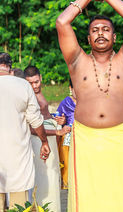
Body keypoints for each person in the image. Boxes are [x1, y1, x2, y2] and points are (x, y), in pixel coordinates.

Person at [56, 0, 123, 212]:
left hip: (120, 137)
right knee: (87, 201)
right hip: (86, 140)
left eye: (106, 29)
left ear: (115, 37)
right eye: (95, 30)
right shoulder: (76, 60)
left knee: (122, 199)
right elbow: (62, 22)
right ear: (88, 38)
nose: (100, 33)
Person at [0, 53, 50, 211]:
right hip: (18, 156)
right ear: (10, 67)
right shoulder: (22, 86)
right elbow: (35, 120)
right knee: (20, 206)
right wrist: (44, 141)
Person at [24, 66, 61, 212]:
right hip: (39, 140)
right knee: (42, 177)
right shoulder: (28, 97)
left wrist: (54, 118)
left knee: (52, 176)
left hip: (49, 138)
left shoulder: (40, 94)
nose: (34, 86)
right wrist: (57, 132)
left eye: (36, 82)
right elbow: (33, 128)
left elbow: (44, 116)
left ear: (41, 78)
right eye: (30, 83)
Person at [55, 78, 76, 189]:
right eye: (75, 89)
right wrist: (62, 122)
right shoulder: (66, 103)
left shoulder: (87, 103)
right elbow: (57, 118)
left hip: (82, 139)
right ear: (70, 88)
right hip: (67, 140)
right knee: (67, 166)